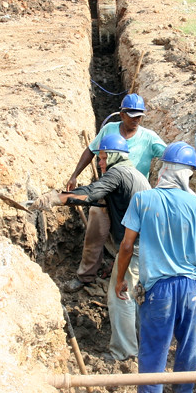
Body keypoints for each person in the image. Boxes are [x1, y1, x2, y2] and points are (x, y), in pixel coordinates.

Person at [114, 142, 196, 393]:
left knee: (153, 354)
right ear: (185, 174)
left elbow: (126, 245)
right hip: (189, 289)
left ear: (164, 170)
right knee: (187, 349)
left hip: (157, 290)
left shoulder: (143, 200)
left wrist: (120, 279)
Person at [32, 134, 150, 361]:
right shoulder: (133, 173)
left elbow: (91, 194)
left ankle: (124, 352)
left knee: (120, 294)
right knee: (135, 294)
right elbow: (103, 199)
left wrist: (56, 198)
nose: (100, 163)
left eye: (104, 157)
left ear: (115, 156)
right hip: (146, 247)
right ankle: (138, 341)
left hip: (134, 248)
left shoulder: (118, 172)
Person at [62, 93, 166, 292]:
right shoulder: (110, 130)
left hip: (133, 199)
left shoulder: (149, 138)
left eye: (139, 116)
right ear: (122, 114)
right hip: (107, 192)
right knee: (95, 224)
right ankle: (86, 275)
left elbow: (168, 156)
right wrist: (75, 175)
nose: (135, 120)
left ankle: (132, 279)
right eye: (131, 115)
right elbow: (91, 150)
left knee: (131, 240)